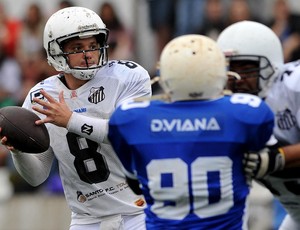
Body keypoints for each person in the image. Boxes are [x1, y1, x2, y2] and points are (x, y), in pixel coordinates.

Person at [0, 6, 151, 230]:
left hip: (139, 212)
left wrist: (71, 120)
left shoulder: (128, 77)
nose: (88, 54)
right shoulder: (40, 97)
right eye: (77, 47)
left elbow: (130, 134)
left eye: (92, 45)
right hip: (86, 218)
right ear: (55, 51)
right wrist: (19, 150)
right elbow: (36, 176)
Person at [108, 34, 274, 229]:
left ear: (166, 74)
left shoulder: (131, 118)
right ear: (220, 72)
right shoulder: (245, 113)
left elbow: (135, 183)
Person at [216, 20, 300, 230]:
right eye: (231, 69)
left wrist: (277, 158)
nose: (238, 78)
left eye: (246, 68)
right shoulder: (224, 109)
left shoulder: (293, 85)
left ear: (271, 64)